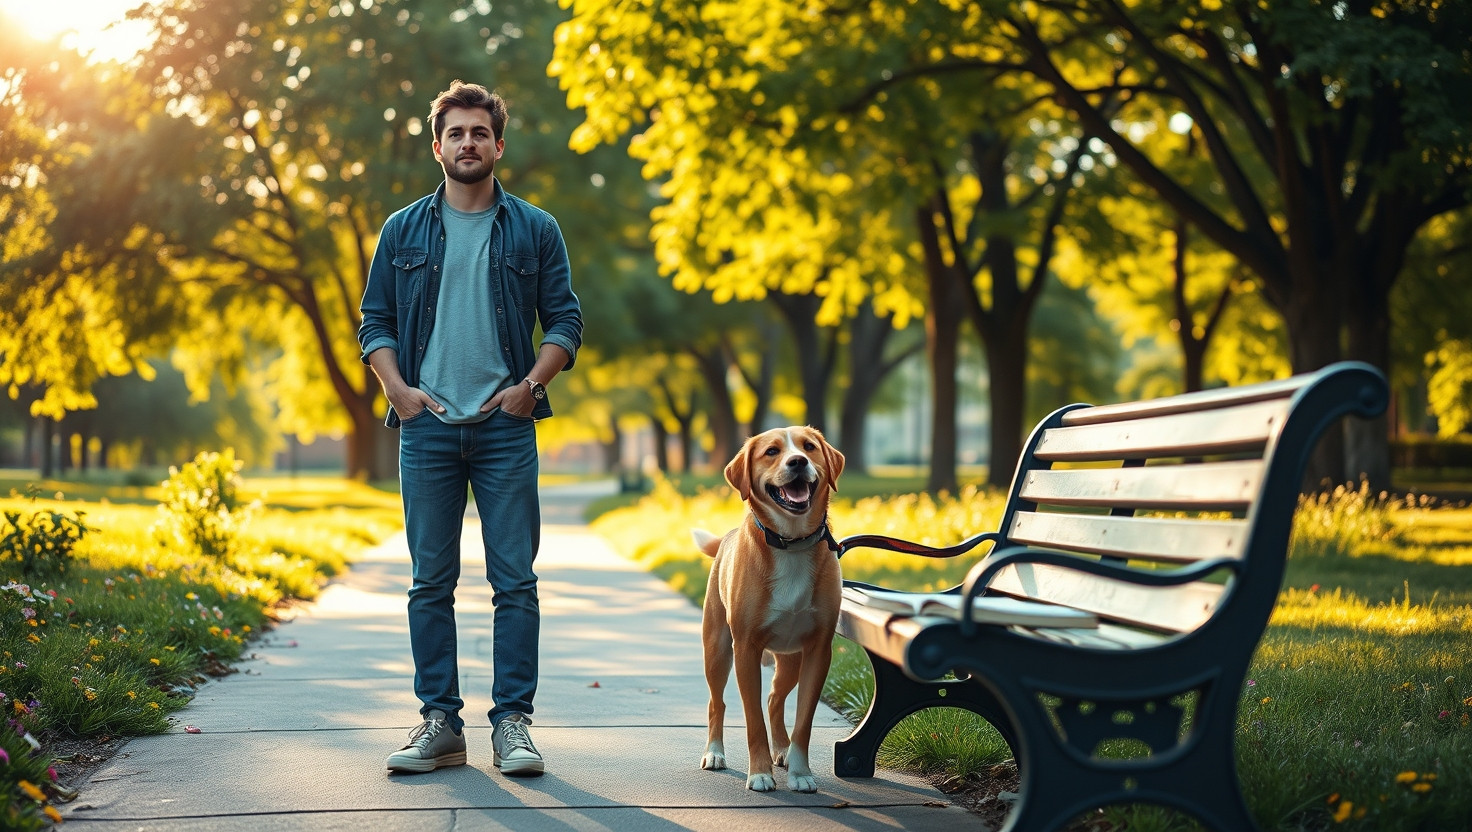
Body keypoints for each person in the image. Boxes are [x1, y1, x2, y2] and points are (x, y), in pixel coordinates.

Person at [358, 80, 582, 777]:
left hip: (504, 429)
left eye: (479, 132)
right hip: (426, 428)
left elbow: (566, 321)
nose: (467, 143)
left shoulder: (536, 229)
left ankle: (512, 724)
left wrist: (531, 388)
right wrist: (399, 391)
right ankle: (440, 724)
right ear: (437, 146)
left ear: (498, 145)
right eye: (455, 133)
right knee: (431, 581)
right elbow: (377, 321)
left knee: (514, 583)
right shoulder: (402, 231)